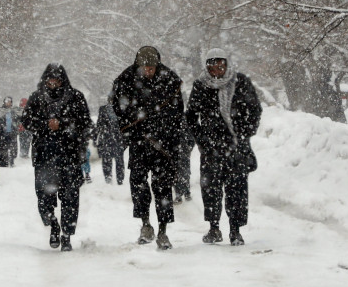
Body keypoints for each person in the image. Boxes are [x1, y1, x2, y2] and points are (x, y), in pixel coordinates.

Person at [186, 48, 262, 246]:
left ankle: (235, 231)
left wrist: (244, 133)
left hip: (236, 146)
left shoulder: (241, 82)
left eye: (220, 64)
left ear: (227, 64)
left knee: (237, 190)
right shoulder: (201, 85)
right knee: (211, 189)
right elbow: (191, 116)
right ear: (207, 66)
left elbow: (254, 110)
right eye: (212, 65)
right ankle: (214, 228)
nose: (216, 68)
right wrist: (202, 140)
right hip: (211, 148)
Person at [110, 46, 184, 250]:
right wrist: (133, 130)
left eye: (151, 68)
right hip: (139, 143)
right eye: (145, 68)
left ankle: (163, 232)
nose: (148, 72)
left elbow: (177, 114)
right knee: (139, 185)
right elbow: (119, 109)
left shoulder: (170, 80)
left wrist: (166, 134)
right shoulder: (126, 80)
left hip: (163, 145)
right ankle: (145, 224)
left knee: (163, 188)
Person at [22, 64, 93, 252]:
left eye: (56, 81)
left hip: (69, 155)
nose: (53, 84)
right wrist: (45, 125)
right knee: (44, 197)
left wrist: (64, 125)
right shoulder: (37, 97)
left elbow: (85, 123)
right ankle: (53, 223)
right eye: (50, 81)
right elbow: (26, 121)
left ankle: (67, 235)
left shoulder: (75, 97)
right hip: (45, 156)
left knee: (70, 197)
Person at [94, 99, 125, 184]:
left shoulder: (121, 110)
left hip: (118, 138)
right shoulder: (103, 109)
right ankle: (108, 178)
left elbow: (124, 124)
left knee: (119, 161)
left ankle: (120, 180)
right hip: (106, 138)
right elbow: (99, 124)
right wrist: (97, 134)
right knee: (107, 160)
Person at [174, 122, 194, 204]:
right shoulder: (183, 121)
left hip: (181, 151)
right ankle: (184, 193)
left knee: (180, 173)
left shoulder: (182, 121)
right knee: (182, 173)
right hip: (180, 151)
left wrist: (189, 148)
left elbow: (191, 138)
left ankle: (183, 194)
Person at [0, 96, 21, 166]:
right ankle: (4, 161)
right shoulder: (0, 111)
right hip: (3, 132)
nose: (8, 103)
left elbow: (18, 119)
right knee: (3, 147)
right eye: (7, 101)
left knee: (13, 147)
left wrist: (15, 125)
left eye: (9, 102)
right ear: (4, 102)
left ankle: (12, 160)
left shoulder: (14, 111)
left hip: (12, 132)